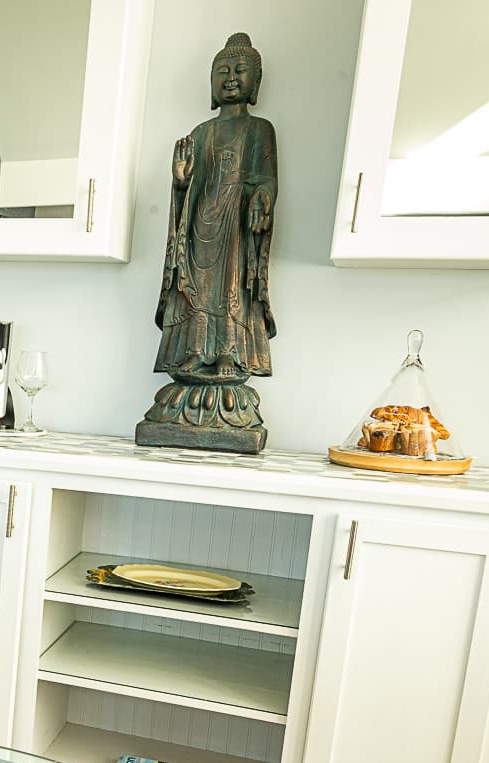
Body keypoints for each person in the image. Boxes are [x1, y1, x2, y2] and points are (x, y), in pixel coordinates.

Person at [139, 32, 278, 452]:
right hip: (200, 220)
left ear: (255, 82)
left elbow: (267, 179)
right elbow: (187, 185)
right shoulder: (200, 132)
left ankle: (228, 356)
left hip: (235, 223)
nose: (231, 79)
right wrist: (180, 181)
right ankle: (195, 352)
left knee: (230, 286)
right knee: (194, 288)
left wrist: (262, 197)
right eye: (223, 72)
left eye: (240, 72)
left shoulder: (260, 130)